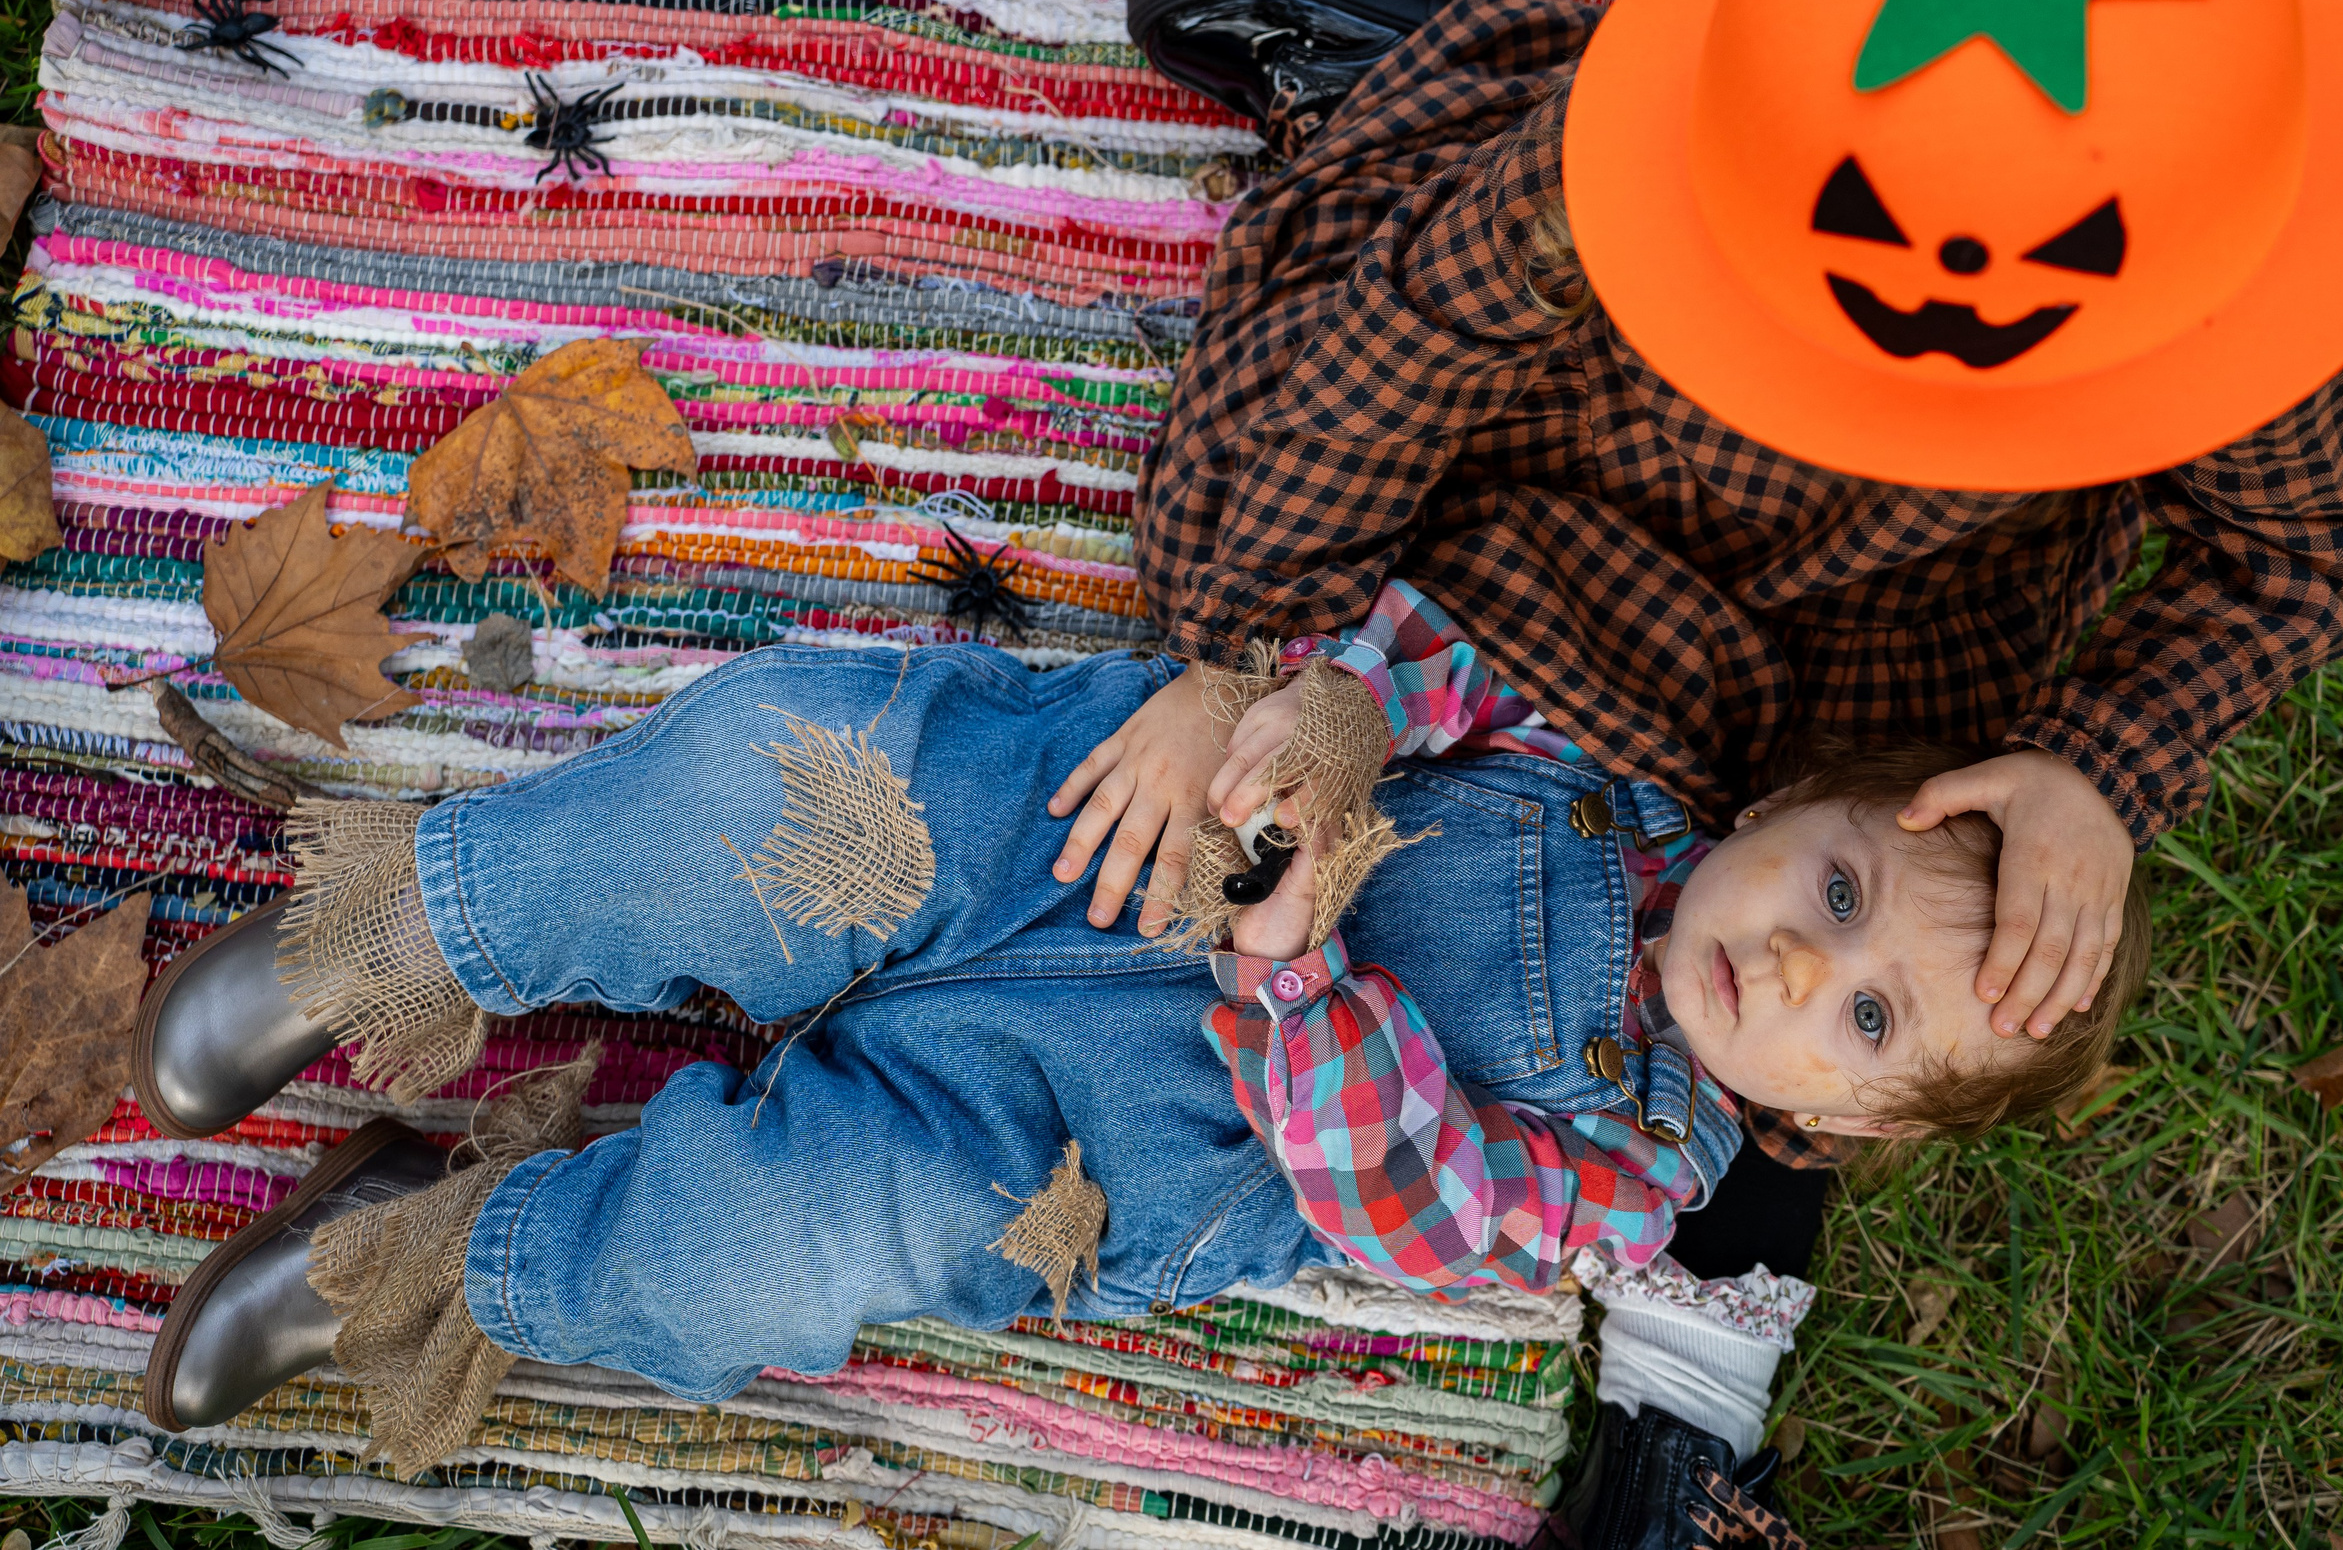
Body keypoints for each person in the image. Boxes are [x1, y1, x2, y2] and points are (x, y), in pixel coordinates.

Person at [1064, 0, 2343, 1541]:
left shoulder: (2175, 273)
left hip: (1872, 667)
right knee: (1255, 517)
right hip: (1548, 521)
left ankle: (1686, 1393)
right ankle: (1400, 80)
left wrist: (2094, 771)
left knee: (1878, 991)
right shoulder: (1625, 195)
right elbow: (1380, 370)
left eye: (2035, 282)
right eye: (1901, 254)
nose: (1941, 328)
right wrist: (1246, 655)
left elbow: (2304, 551)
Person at [132, 619, 2146, 1548]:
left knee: (762, 1259)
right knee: (753, 785)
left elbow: (1394, 1202)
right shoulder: (1605, 752)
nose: (1801, 954)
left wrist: (1298, 969)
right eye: (1840, 884)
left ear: (1839, 1124)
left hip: (1055, 1145)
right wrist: (1328, 713)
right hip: (1053, 831)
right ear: (1795, 807)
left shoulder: (1623, 1175)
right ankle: (384, 942)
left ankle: (422, 1247)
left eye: (1863, 1015)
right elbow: (1431, 647)